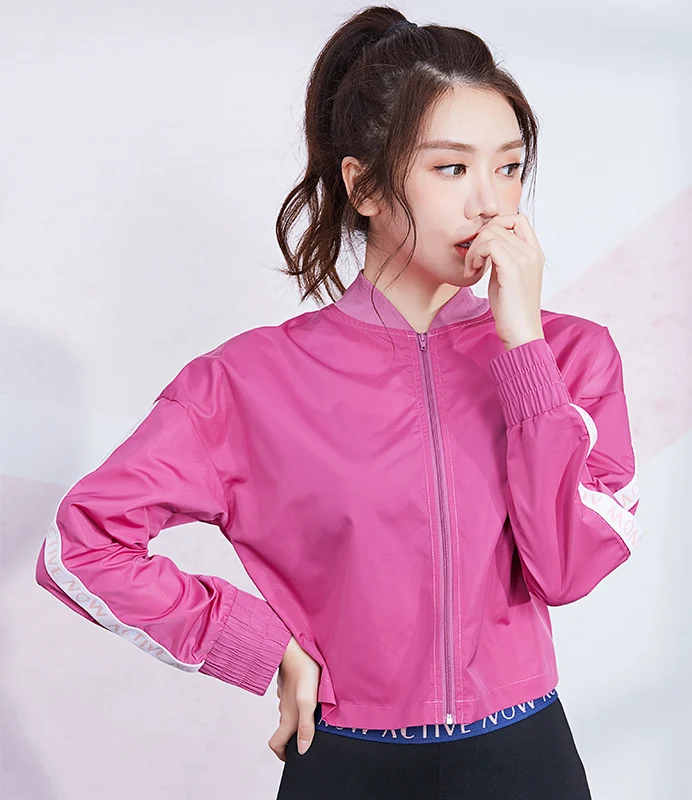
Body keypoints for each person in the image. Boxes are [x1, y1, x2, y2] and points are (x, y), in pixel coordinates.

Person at [35, 6, 642, 798]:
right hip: (348, 766)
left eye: (509, 167)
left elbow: (565, 568)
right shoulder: (247, 382)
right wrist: (263, 646)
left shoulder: (568, 357)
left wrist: (522, 345)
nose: (492, 204)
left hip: (522, 762)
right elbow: (82, 545)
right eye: (451, 169)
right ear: (364, 186)